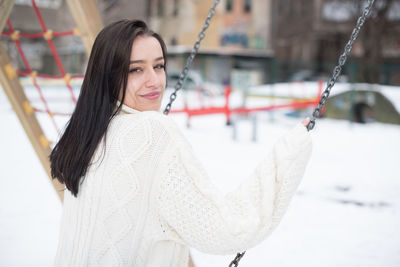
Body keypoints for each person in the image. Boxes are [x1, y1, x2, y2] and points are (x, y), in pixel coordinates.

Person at [50, 19, 312, 267]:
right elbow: (225, 229)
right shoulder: (150, 131)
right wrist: (289, 153)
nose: (154, 81)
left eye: (159, 66)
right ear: (107, 76)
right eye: (136, 69)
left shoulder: (86, 135)